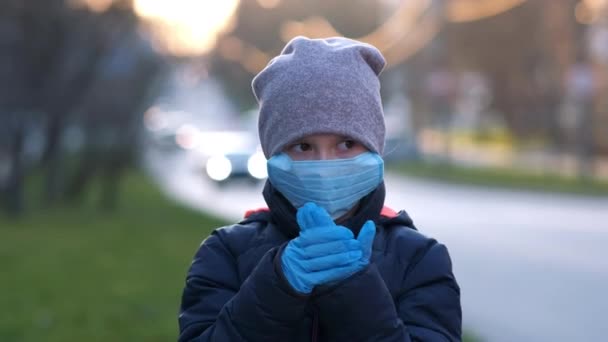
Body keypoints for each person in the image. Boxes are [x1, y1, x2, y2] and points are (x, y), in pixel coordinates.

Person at [178, 36, 461, 341]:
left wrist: (355, 290)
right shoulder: (226, 254)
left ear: (374, 149)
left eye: (346, 144)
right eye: (303, 146)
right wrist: (278, 286)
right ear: (274, 155)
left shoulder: (418, 259)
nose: (324, 164)